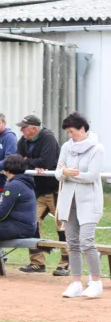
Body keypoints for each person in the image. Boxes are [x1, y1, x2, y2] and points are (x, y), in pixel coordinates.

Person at [55, 112, 105, 299]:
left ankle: (96, 281)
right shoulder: (66, 147)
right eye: (68, 132)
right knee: (72, 244)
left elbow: (91, 176)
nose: (70, 136)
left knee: (87, 242)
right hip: (69, 202)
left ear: (82, 129)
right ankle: (76, 282)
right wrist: (65, 172)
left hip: (89, 202)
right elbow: (58, 172)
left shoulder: (97, 148)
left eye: (72, 131)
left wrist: (70, 174)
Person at [15, 115, 69, 276]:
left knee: (62, 227)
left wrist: (28, 161)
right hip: (37, 190)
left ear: (34, 128)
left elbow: (47, 161)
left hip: (55, 190)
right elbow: (18, 160)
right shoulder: (23, 141)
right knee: (31, 223)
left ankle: (65, 263)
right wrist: (33, 162)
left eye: (24, 128)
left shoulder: (48, 138)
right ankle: (37, 262)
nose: (22, 131)